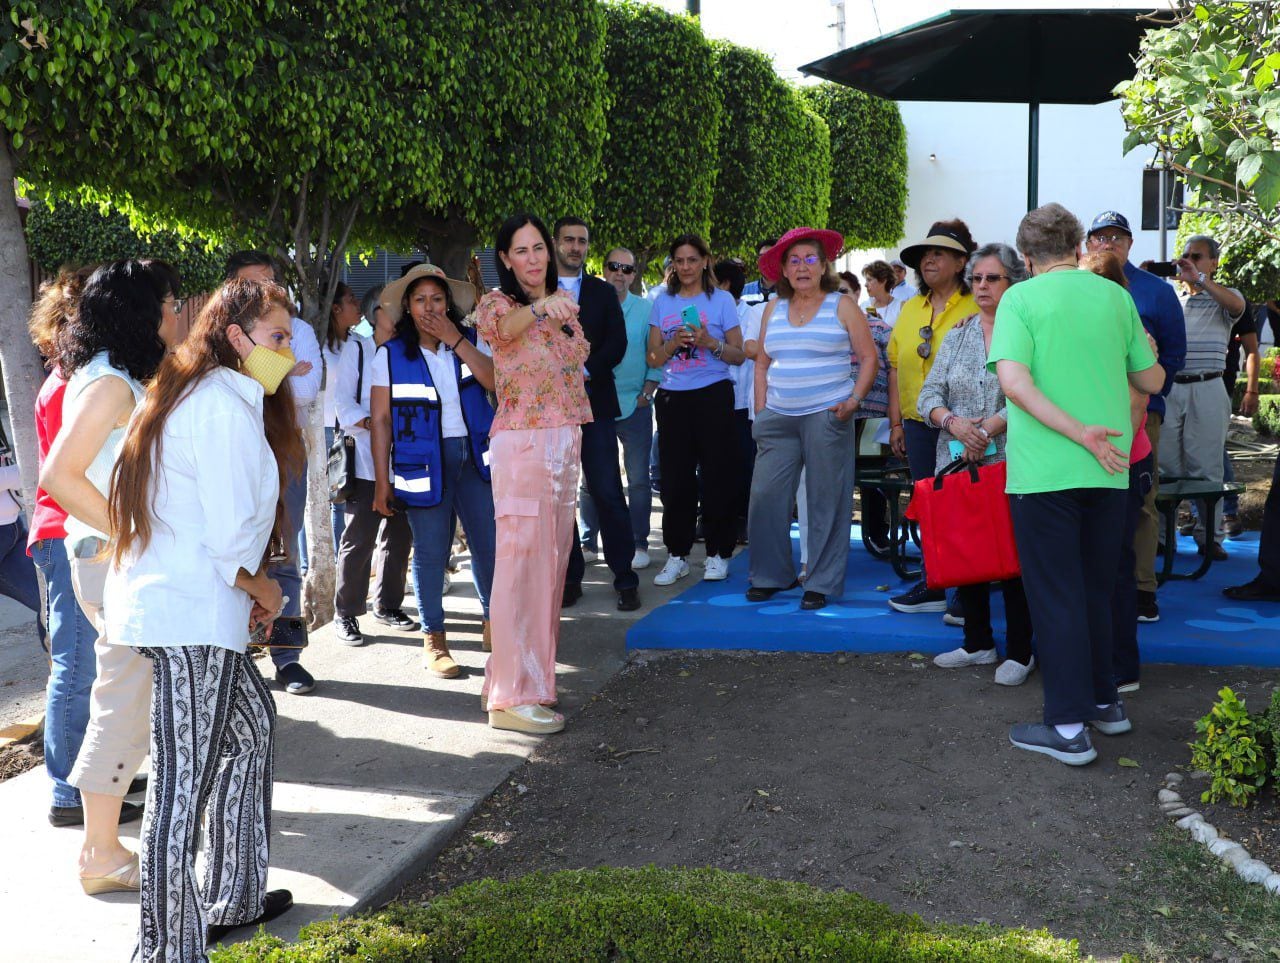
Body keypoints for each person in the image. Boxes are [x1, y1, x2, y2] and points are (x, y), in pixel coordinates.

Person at [106, 278, 301, 961]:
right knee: (180, 788)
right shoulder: (219, 405)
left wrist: (251, 582)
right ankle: (164, 947)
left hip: (195, 610)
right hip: (192, 615)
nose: (288, 351)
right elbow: (227, 537)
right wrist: (264, 588)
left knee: (251, 729)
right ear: (239, 336)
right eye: (278, 337)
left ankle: (235, 893)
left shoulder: (218, 395)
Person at [992, 203, 1163, 766]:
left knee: (1056, 596)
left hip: (1045, 474)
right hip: (1108, 471)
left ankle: (1067, 728)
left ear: (1026, 257)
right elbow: (1153, 377)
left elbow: (1014, 384)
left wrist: (1077, 432)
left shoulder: (1019, 299)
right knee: (1096, 589)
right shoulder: (1115, 296)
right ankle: (1105, 703)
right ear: (1078, 246)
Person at [41, 260, 185, 892]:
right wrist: (133, 534)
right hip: (111, 558)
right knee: (120, 703)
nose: (177, 311)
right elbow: (57, 475)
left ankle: (106, 846)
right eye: (169, 302)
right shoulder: (110, 386)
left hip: (110, 557)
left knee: (126, 698)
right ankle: (100, 853)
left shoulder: (113, 376)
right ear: (140, 312)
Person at [476, 213, 590, 735]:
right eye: (521, 251)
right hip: (523, 446)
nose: (534, 258)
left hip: (564, 445)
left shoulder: (567, 311)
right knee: (520, 568)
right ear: (505, 259)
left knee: (550, 568)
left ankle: (535, 683)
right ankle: (509, 695)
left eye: (538, 247)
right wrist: (541, 307)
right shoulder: (499, 305)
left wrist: (553, 310)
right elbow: (503, 331)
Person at [370, 264, 496, 676]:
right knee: (429, 553)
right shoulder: (388, 355)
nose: (429, 307)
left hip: (474, 456)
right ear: (407, 306)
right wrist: (381, 483)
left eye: (437, 299)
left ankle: (495, 624)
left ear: (449, 304)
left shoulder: (471, 339)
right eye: (420, 299)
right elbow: (382, 421)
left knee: (488, 545)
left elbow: (494, 382)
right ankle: (434, 640)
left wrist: (454, 339)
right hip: (422, 463)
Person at [917, 243, 1035, 685]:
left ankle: (1022, 651)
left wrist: (984, 430)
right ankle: (977, 642)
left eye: (993, 278)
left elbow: (1028, 394)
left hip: (1009, 460)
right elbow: (927, 396)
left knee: (1012, 558)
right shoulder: (958, 334)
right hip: (956, 462)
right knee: (967, 550)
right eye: (978, 279)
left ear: (1012, 282)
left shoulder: (1026, 331)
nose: (982, 286)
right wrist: (953, 422)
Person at [746, 227, 878, 610]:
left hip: (827, 414)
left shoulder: (842, 305)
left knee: (827, 501)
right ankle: (771, 575)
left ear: (823, 266)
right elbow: (762, 362)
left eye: (809, 259)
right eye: (793, 260)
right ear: (784, 270)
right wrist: (761, 411)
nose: (801, 267)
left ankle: (820, 582)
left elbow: (869, 358)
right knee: (765, 498)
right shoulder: (772, 308)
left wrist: (854, 400)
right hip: (778, 416)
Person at [224, 252, 320, 696]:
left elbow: (304, 390)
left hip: (283, 454)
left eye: (271, 282)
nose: (266, 292)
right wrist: (283, 370)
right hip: (235, 459)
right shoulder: (217, 346)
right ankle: (239, 660)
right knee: (237, 560)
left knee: (285, 558)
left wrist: (272, 368)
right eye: (252, 286)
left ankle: (287, 658)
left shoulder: (298, 329)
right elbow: (285, 382)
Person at [28, 269, 101, 829]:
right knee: (75, 665)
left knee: (84, 664)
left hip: (69, 533)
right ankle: (66, 790)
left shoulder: (72, 382)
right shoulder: (66, 387)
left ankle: (81, 779)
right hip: (64, 534)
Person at [1085, 211, 1185, 622]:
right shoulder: (1076, 290)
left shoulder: (1155, 291)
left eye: (1117, 237)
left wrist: (1152, 399)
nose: (1108, 243)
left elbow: (1175, 355)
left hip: (1141, 418)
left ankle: (1143, 588)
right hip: (1082, 420)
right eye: (1100, 236)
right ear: (1088, 243)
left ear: (1130, 244)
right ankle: (1096, 588)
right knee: (1088, 503)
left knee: (1139, 502)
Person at [886, 220, 979, 615]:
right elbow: (894, 366)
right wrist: (895, 423)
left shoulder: (979, 303)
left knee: (965, 506)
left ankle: (968, 594)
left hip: (967, 427)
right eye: (925, 254)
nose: (929, 259)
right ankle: (936, 582)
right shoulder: (910, 308)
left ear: (961, 262)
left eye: (939, 253)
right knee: (930, 505)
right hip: (918, 425)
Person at [646, 234, 747, 586]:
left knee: (718, 476)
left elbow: (738, 353)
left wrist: (710, 343)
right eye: (679, 260)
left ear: (705, 261)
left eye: (692, 260)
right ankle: (677, 554)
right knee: (675, 480)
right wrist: (674, 342)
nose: (686, 267)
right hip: (673, 398)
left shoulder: (721, 301)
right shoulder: (662, 301)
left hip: (713, 394)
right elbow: (652, 357)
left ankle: (718, 553)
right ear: (673, 264)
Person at [1079, 251, 1158, 696]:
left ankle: (1121, 667)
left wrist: (1110, 457)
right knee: (1096, 568)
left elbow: (1137, 403)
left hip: (1120, 463)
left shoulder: (1133, 332)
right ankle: (1097, 662)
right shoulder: (1095, 328)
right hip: (1097, 461)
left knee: (1114, 568)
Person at [553, 217, 640, 612]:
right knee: (560, 498)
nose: (575, 247)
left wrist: (583, 369)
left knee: (607, 491)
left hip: (595, 407)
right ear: (555, 243)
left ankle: (625, 577)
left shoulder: (603, 292)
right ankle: (570, 578)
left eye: (582, 241)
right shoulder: (534, 292)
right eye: (568, 240)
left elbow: (617, 343)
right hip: (550, 411)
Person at [329, 280, 417, 648]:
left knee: (399, 536)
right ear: (374, 313)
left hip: (407, 458)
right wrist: (372, 423)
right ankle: (346, 612)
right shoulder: (358, 350)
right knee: (359, 538)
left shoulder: (410, 352)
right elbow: (341, 402)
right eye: (390, 306)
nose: (398, 312)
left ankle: (388, 605)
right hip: (365, 457)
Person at [1159, 234, 1247, 561]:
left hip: (1208, 387)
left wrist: (1200, 280)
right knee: (1164, 467)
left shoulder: (1226, 297)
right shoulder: (1171, 299)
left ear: (1214, 263)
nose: (1188, 262)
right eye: (1185, 256)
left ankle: (1209, 537)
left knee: (1207, 468)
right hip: (1171, 388)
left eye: (1197, 256)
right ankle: (1161, 538)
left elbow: (1237, 307)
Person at [580, 248, 660, 570]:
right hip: (596, 404)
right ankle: (589, 543)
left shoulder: (646, 309)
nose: (620, 273)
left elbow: (654, 352)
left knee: (639, 480)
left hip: (635, 404)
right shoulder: (587, 302)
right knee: (591, 480)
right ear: (604, 267)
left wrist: (648, 389)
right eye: (614, 266)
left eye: (627, 269)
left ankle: (639, 542)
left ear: (633, 274)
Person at [715, 258, 754, 545]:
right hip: (713, 400)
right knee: (715, 466)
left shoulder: (752, 315)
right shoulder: (707, 311)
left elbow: (744, 353)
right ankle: (715, 520)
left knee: (743, 466)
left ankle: (742, 520)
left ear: (726, 285)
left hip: (742, 404)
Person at [321, 282, 362, 554]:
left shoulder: (357, 342)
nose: (357, 304)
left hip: (348, 428)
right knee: (322, 502)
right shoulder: (319, 345)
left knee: (343, 496)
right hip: (323, 429)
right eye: (351, 299)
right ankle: (321, 563)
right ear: (336, 308)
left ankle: (339, 560)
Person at [862, 259, 903, 330]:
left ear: (883, 280)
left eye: (869, 280)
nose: (865, 284)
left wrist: (882, 326)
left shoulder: (900, 307)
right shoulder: (864, 306)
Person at [741, 238, 778, 305]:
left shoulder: (792, 292)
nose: (764, 261)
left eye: (769, 256)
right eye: (761, 257)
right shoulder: (744, 291)